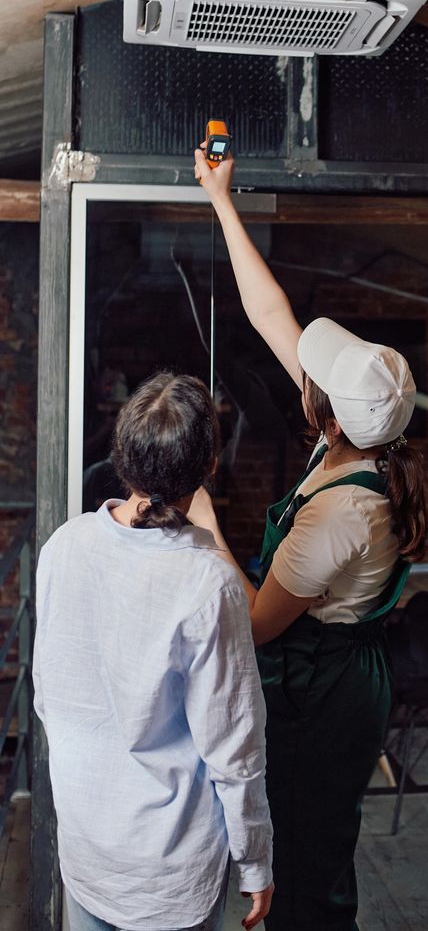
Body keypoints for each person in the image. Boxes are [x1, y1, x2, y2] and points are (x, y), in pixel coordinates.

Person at [191, 141, 428, 931]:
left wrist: (204, 525)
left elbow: (258, 623)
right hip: (325, 674)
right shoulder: (353, 439)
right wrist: (222, 199)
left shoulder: (342, 512)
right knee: (305, 852)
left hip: (326, 692)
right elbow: (271, 316)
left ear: (325, 413)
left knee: (309, 870)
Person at [33, 372, 274, 931]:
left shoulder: (64, 545)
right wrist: (255, 863)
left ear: (122, 456)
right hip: (169, 870)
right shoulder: (208, 582)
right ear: (210, 467)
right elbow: (233, 747)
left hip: (86, 846)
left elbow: (48, 696)